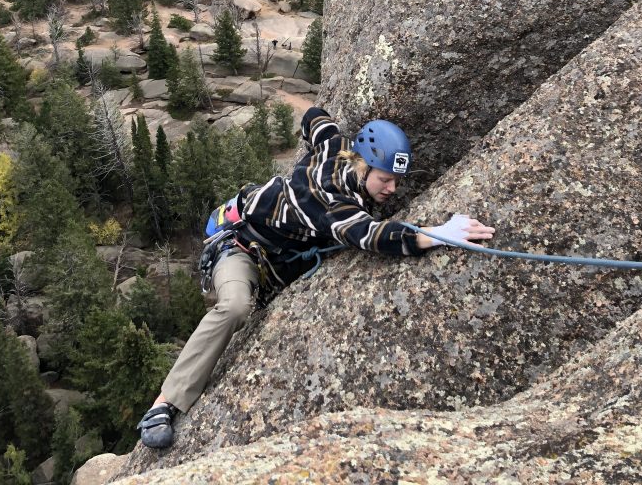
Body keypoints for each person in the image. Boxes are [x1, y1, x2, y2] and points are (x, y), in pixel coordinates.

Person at [137, 107, 495, 448]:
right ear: (363, 166)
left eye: (396, 182)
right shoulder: (331, 205)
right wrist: (440, 233)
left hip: (276, 260)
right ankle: (162, 405)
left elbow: (314, 119)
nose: (392, 190)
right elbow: (371, 236)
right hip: (241, 249)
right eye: (385, 180)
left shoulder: (335, 145)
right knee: (234, 307)